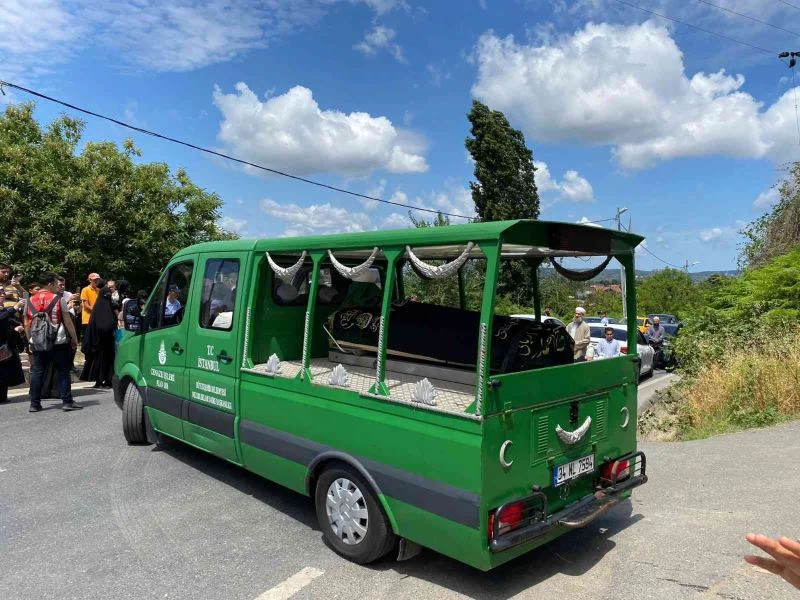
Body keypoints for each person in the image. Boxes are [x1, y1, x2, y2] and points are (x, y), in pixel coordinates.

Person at [25, 272, 81, 412]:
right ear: (50, 284)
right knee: (63, 371)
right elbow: (67, 320)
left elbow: (26, 323)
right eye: (56, 284)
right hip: (58, 341)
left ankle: (34, 404)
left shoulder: (29, 300)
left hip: (38, 341)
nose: (58, 286)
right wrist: (74, 339)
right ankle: (67, 402)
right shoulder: (58, 299)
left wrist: (29, 340)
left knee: (38, 372)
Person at [80, 280, 116, 388]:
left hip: (102, 342)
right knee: (104, 360)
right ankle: (102, 380)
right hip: (102, 342)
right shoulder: (104, 307)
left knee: (103, 360)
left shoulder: (100, 306)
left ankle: (104, 381)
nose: (107, 297)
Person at [0, 287, 26, 403]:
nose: (2, 294)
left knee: (5, 371)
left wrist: (17, 328)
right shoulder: (7, 310)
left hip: (6, 345)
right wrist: (14, 308)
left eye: (2, 292)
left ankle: (2, 396)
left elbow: (10, 322)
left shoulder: (4, 309)